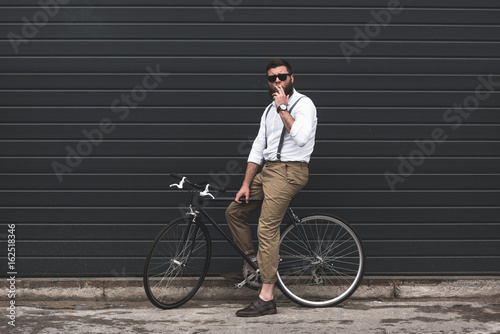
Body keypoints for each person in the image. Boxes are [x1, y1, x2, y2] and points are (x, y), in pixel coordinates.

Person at [223, 59, 318, 317]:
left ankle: (266, 297)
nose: (277, 81)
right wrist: (245, 184)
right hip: (268, 172)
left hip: (290, 171)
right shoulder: (267, 111)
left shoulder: (303, 104)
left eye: (282, 76)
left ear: (291, 78)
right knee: (234, 212)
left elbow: (300, 137)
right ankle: (253, 266)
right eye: (271, 78)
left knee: (267, 226)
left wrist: (284, 108)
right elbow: (257, 148)